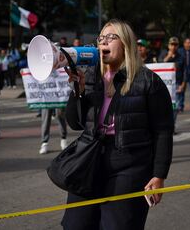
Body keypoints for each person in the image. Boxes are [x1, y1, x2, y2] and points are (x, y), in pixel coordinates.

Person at [62, 19, 173, 230]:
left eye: (110, 37)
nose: (103, 42)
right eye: (101, 38)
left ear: (126, 43)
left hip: (129, 165)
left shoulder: (148, 81)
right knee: (76, 224)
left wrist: (159, 176)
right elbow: (74, 123)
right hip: (90, 160)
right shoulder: (91, 77)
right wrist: (78, 90)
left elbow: (163, 131)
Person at [161, 36, 186, 134]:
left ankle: (172, 126)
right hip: (165, 85)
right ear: (168, 45)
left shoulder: (181, 57)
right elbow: (159, 65)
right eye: (172, 45)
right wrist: (168, 57)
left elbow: (185, 71)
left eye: (175, 45)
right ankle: (165, 127)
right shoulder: (163, 54)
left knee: (175, 108)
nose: (173, 47)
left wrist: (183, 84)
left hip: (177, 85)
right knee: (165, 107)